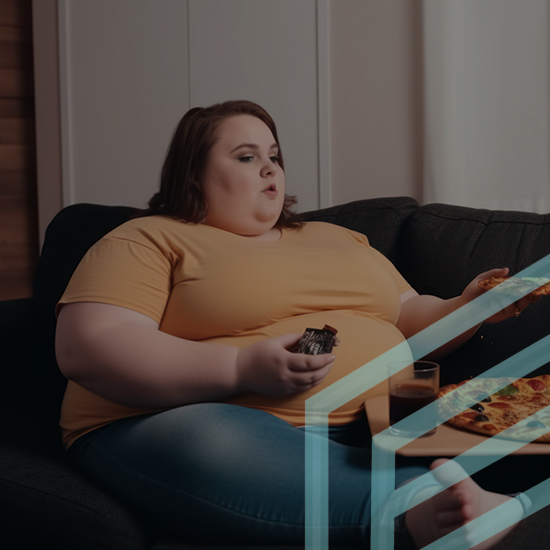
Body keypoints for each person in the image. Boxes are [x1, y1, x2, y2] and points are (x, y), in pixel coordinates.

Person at [55, 100, 536, 548]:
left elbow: (411, 318)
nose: (270, 168)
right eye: (246, 157)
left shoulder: (338, 238)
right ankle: (418, 508)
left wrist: (470, 306)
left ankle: (437, 492)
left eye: (274, 155)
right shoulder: (147, 238)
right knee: (211, 439)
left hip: (371, 423)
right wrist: (240, 369)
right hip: (195, 417)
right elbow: (91, 344)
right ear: (195, 174)